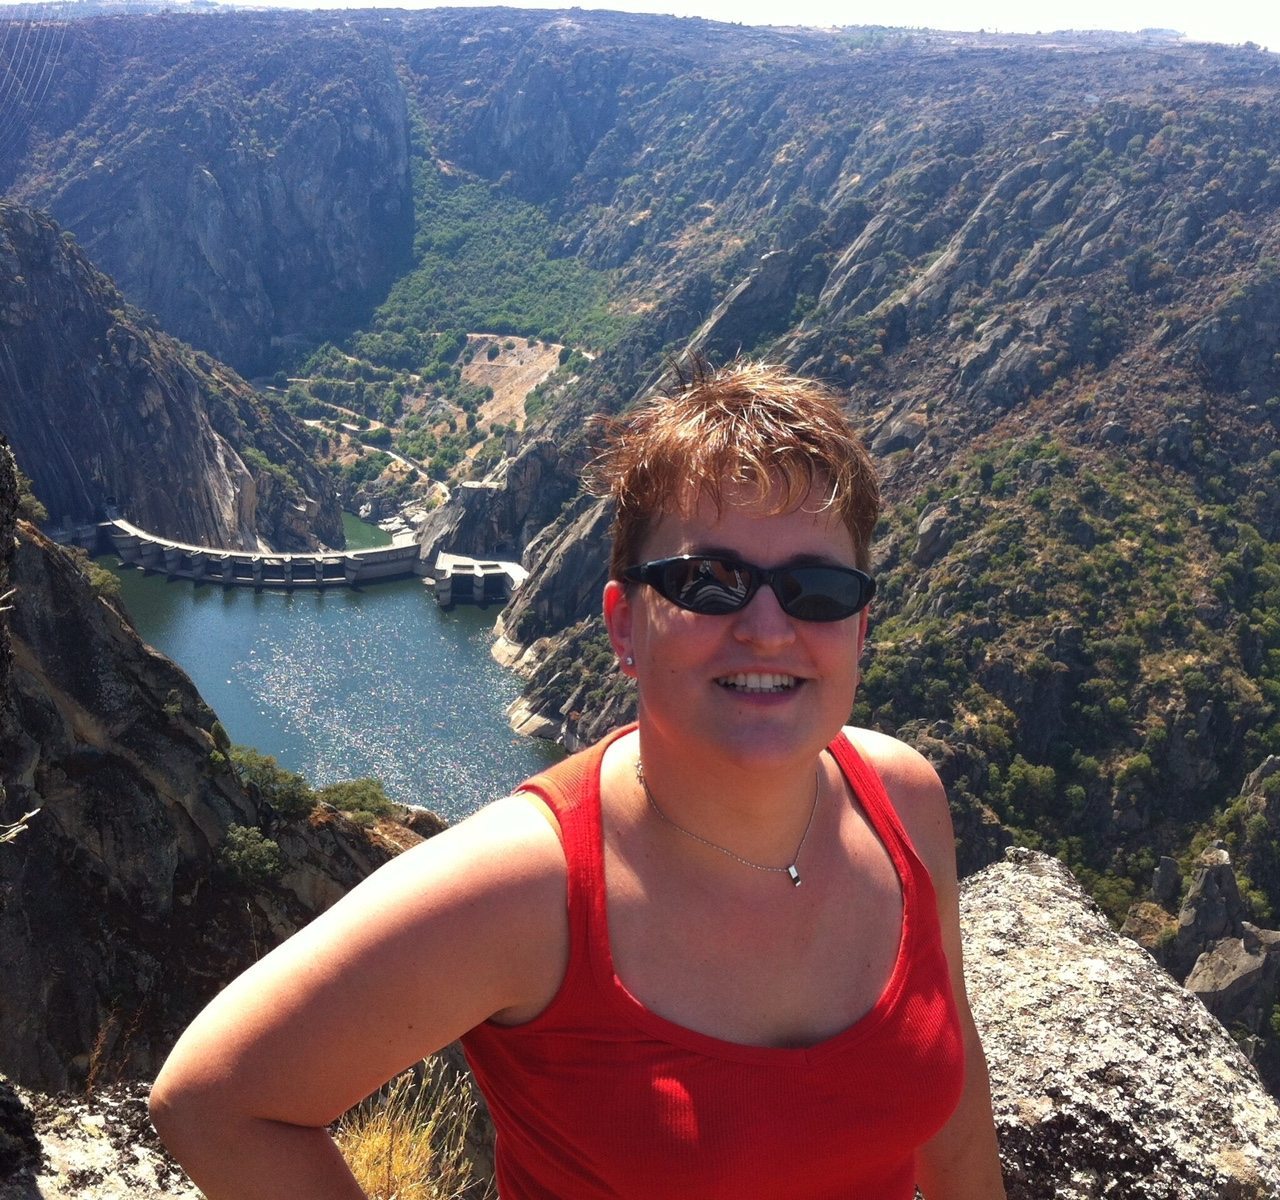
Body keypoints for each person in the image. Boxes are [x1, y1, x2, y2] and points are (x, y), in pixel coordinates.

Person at [150, 358, 1007, 1199]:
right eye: (710, 582)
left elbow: (956, 1107)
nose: (768, 628)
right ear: (625, 627)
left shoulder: (904, 801)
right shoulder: (529, 888)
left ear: (860, 628)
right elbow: (218, 1103)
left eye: (817, 588)